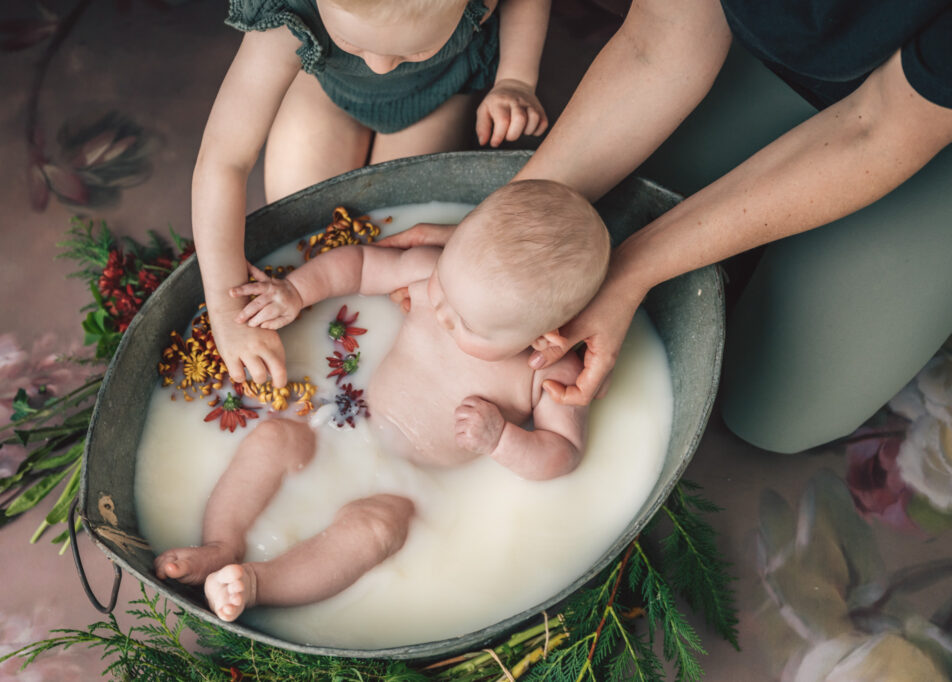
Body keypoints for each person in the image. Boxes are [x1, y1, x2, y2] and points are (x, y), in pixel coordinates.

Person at [384, 0, 952, 453]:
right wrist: (500, 228)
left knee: (772, 413)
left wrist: (633, 269)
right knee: (578, 239)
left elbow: (876, 131)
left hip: (919, 127)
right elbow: (663, 39)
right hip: (780, 47)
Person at [154, 180, 610, 621]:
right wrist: (296, 291)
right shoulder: (441, 273)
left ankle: (257, 584)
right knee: (274, 436)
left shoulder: (553, 372)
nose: (443, 311)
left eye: (469, 324)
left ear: (545, 338)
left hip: (409, 487)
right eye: (444, 289)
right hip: (347, 427)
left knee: (375, 530)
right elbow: (360, 266)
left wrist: (502, 439)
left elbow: (562, 453)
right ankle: (220, 543)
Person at [194, 0, 552, 395]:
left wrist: (515, 80)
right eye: (351, 39)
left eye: (411, 50)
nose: (380, 65)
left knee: (392, 221)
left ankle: (398, 53)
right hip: (324, 90)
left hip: (434, 93)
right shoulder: (290, 16)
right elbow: (223, 160)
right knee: (302, 215)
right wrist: (226, 310)